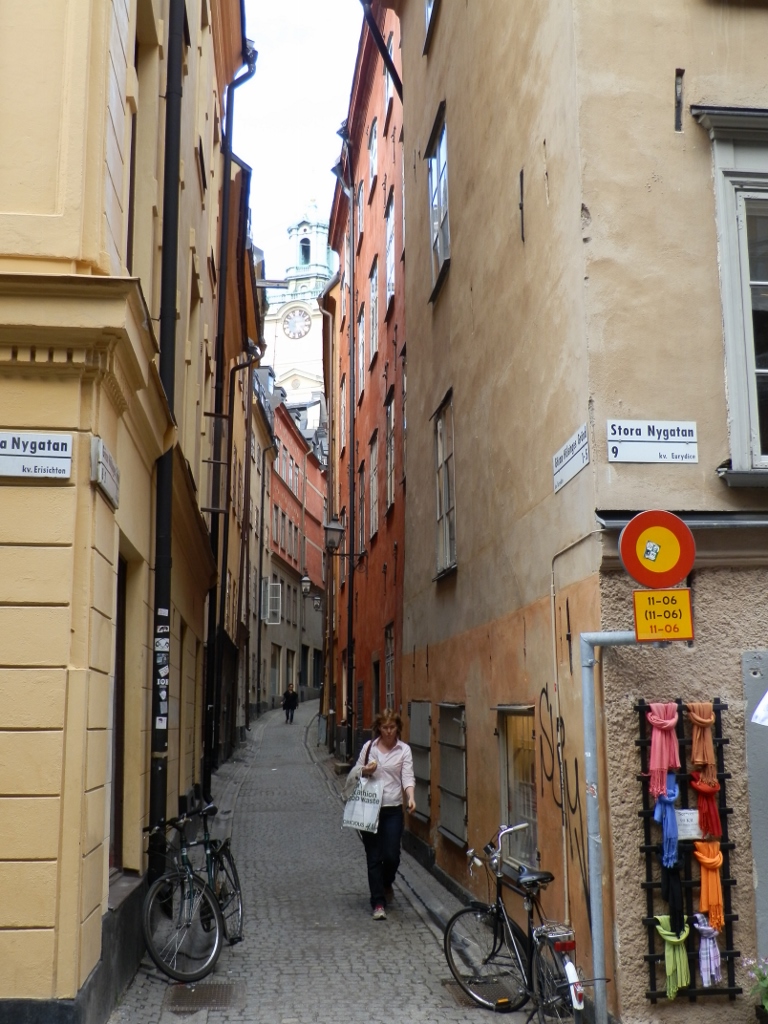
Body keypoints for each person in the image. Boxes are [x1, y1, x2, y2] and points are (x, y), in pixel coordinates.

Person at [353, 708, 416, 920]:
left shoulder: (404, 750)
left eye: (392, 727)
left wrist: (411, 797)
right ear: (379, 727)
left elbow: (407, 777)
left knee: (391, 855)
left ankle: (387, 882)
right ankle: (378, 903)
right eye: (385, 727)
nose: (388, 731)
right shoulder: (369, 748)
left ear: (398, 728)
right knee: (373, 856)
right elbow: (356, 771)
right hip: (370, 808)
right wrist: (366, 770)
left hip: (392, 809)